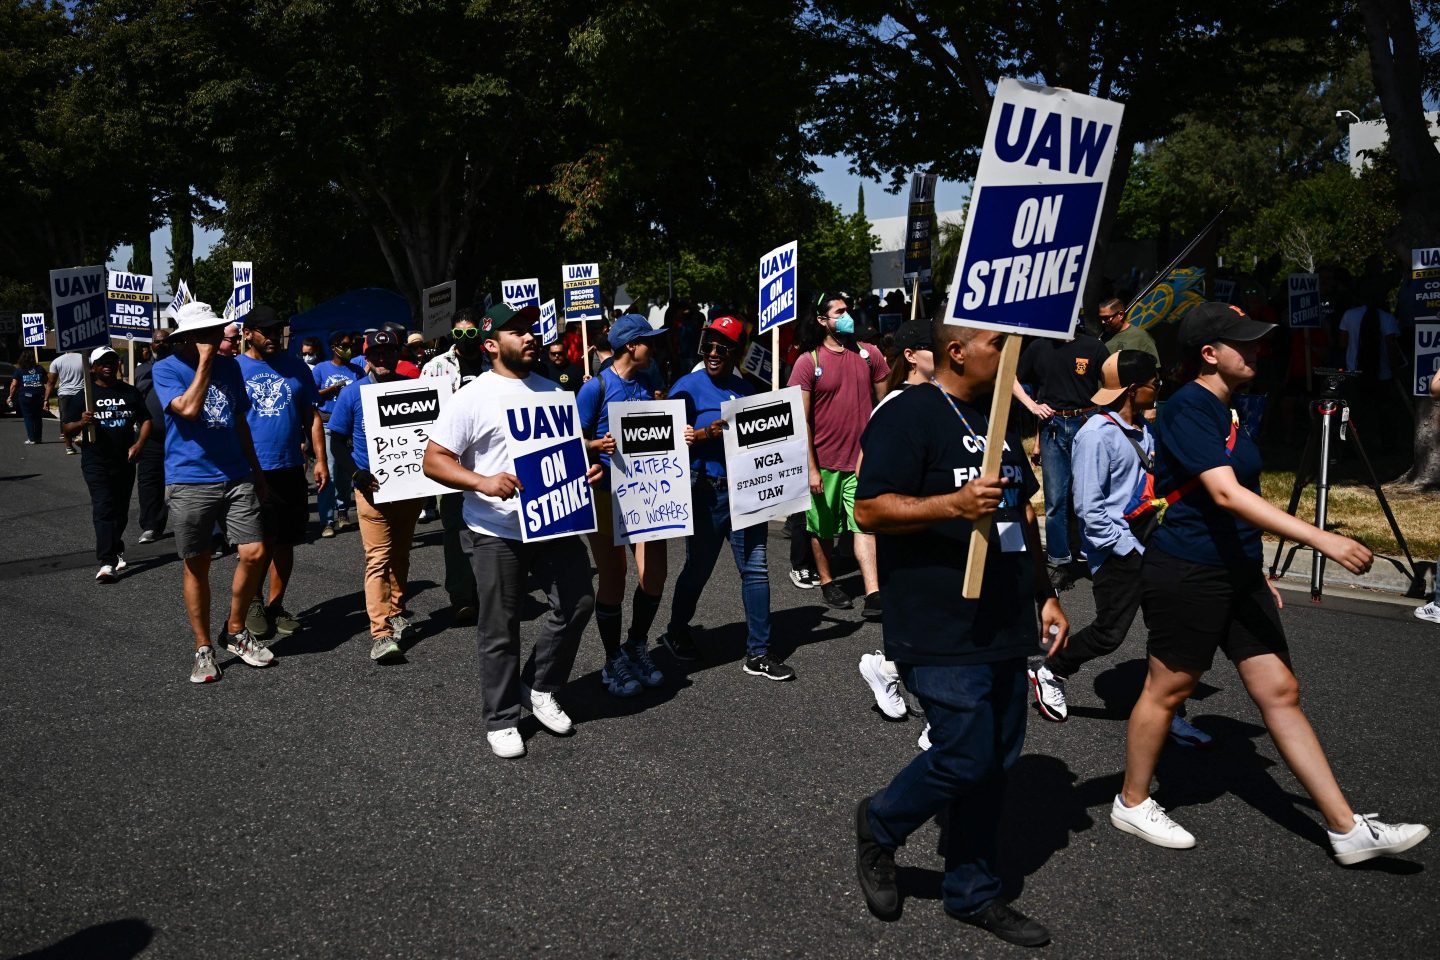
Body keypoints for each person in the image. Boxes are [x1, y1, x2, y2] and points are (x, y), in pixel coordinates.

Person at [1110, 302, 1429, 866]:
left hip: (1234, 571)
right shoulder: (1188, 406)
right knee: (1169, 689)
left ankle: (1346, 828)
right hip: (1188, 572)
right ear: (1209, 354)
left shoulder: (1228, 410)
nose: (1257, 350)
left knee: (1280, 691)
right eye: (1244, 343)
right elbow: (1227, 495)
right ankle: (1132, 801)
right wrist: (1322, 539)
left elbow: (1234, 506)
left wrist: (1254, 567)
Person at [852, 319, 1067, 947]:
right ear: (956, 351)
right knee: (966, 753)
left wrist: (1045, 593)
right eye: (1000, 346)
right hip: (937, 622)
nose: (1011, 356)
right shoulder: (910, 414)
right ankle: (881, 824)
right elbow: (868, 508)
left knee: (996, 762)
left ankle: (972, 893)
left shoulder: (998, 417)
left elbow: (1020, 512)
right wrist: (951, 505)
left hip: (1003, 621)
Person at [423, 303, 600, 759]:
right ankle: (501, 718)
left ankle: (538, 686)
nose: (530, 336)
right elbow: (434, 459)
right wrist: (481, 481)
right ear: (490, 345)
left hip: (554, 520)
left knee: (579, 601)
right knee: (499, 627)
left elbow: (564, 453)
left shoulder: (554, 392)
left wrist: (583, 471)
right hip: (494, 530)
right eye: (517, 331)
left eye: (530, 329)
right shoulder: (472, 397)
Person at [1022, 350, 1212, 746]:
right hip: (1118, 552)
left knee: (1168, 630)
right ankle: (1051, 671)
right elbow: (1089, 509)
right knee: (1110, 633)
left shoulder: (1144, 429)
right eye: (1152, 382)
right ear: (1131, 389)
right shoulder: (1096, 434)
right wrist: (1128, 549)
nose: (1158, 387)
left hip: (1152, 544)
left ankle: (1169, 712)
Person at [659, 315, 796, 680]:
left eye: (723, 347)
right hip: (707, 493)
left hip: (747, 492)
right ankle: (675, 632)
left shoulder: (748, 391)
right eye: (709, 345)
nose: (714, 353)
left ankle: (759, 652)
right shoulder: (685, 388)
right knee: (698, 569)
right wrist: (704, 435)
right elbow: (667, 446)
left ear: (737, 353)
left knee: (755, 568)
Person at [152, 301, 274, 683]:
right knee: (198, 563)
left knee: (255, 552)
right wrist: (205, 361)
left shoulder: (231, 366)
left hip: (236, 474)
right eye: (205, 333)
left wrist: (257, 471)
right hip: (189, 479)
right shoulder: (166, 368)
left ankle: (234, 630)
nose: (214, 338)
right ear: (187, 337)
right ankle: (203, 648)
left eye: (215, 331)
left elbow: (239, 421)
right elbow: (187, 409)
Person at [576, 313, 670, 696]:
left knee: (655, 575)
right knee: (613, 580)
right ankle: (612, 659)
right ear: (631, 345)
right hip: (605, 497)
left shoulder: (651, 379)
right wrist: (595, 449)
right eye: (650, 340)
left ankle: (636, 644)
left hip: (649, 494)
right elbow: (570, 443)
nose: (655, 346)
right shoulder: (595, 388)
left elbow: (660, 428)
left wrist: (677, 432)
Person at [789, 292, 890, 616]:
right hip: (825, 463)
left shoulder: (868, 355)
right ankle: (828, 581)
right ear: (822, 320)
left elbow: (885, 408)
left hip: (860, 464)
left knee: (863, 524)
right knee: (822, 529)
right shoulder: (809, 362)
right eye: (840, 311)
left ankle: (873, 591)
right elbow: (800, 419)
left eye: (849, 309)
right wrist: (811, 468)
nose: (848, 315)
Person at [857, 318, 935, 718]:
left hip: (942, 531)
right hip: (908, 534)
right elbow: (863, 471)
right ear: (910, 356)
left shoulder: (947, 400)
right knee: (927, 625)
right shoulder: (892, 405)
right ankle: (941, 722)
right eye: (932, 347)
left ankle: (886, 669)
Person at [328, 330, 421, 663]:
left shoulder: (409, 388)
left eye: (389, 353)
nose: (383, 359)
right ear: (366, 357)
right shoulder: (352, 394)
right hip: (371, 490)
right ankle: (381, 634)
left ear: (398, 355)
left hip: (408, 489)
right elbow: (336, 440)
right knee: (378, 559)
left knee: (401, 554)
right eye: (376, 354)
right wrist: (356, 473)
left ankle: (396, 610)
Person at [237, 306, 328, 641]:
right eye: (265, 331)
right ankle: (253, 602)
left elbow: (312, 416)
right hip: (251, 470)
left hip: (290, 467)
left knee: (286, 542)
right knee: (256, 545)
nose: (273, 337)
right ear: (248, 333)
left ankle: (276, 604)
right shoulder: (236, 368)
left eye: (277, 331)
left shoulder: (296, 367)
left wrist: (321, 459)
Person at [1012, 324, 1111, 590]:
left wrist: (1104, 415)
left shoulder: (1093, 346)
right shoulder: (1038, 346)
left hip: (1087, 422)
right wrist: (1032, 406)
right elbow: (1011, 377)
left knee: (1090, 495)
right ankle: (1058, 561)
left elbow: (1114, 379)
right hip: (1053, 426)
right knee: (1056, 499)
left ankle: (1094, 556)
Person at [421, 309, 489, 623]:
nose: (465, 339)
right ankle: (462, 596)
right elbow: (421, 416)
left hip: (490, 459)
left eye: (471, 332)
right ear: (452, 335)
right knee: (455, 530)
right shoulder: (435, 367)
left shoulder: (494, 364)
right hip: (453, 463)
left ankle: (490, 590)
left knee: (491, 527)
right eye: (459, 334)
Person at [62, 347, 152, 582]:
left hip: (125, 460)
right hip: (96, 461)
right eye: (102, 362)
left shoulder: (130, 393)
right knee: (103, 508)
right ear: (92, 368)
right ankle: (106, 561)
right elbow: (66, 429)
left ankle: (115, 545)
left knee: (120, 511)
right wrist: (81, 422)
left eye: (112, 361)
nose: (109, 365)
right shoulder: (83, 396)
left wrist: (139, 444)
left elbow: (146, 420)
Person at [314, 330, 364, 537]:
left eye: (351, 344)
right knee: (330, 471)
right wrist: (332, 390)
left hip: (351, 428)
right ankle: (327, 520)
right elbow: (311, 394)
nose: (349, 348)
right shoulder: (320, 369)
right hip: (327, 425)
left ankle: (343, 512)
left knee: (346, 472)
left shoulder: (356, 371)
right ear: (334, 347)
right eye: (345, 344)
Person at [134, 328, 171, 542]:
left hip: (178, 435)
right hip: (150, 436)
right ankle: (151, 525)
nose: (162, 345)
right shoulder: (140, 371)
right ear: (150, 345)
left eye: (166, 341)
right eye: (158, 342)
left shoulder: (180, 367)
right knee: (149, 481)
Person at [45, 349, 87, 455]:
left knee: (65, 420)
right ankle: (81, 436)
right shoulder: (85, 358)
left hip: (64, 394)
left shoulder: (57, 361)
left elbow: (51, 382)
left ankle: (68, 446)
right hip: (81, 392)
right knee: (84, 416)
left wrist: (46, 399)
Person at [1097, 298, 1160, 364]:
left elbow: (1154, 367)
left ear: (1120, 315)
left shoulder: (1141, 337)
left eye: (1106, 318)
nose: (1102, 322)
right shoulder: (1102, 338)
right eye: (1101, 318)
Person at [9, 352, 46, 443]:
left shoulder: (19, 370)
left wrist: (10, 396)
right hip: (39, 395)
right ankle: (38, 438)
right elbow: (46, 380)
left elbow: (14, 385)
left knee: (28, 417)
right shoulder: (40, 368)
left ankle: (31, 438)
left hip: (25, 396)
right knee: (37, 417)